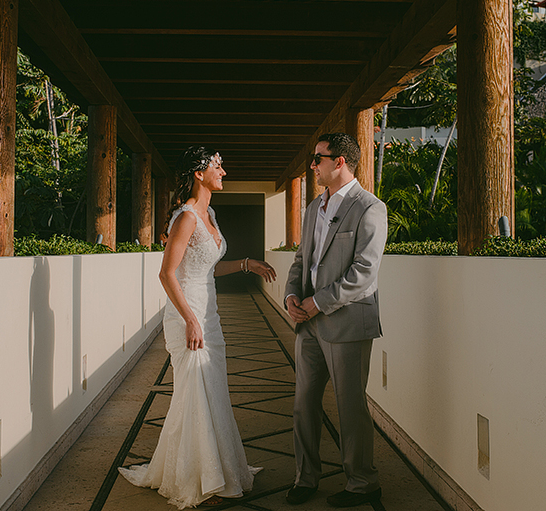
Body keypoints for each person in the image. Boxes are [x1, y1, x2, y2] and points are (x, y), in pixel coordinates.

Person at [118, 146, 277, 509]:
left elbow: (207, 268)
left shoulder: (211, 214)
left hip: (210, 314)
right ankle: (195, 477)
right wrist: (190, 319)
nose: (223, 170)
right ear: (198, 174)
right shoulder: (186, 216)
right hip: (187, 316)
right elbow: (167, 273)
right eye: (217, 165)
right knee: (193, 395)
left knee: (213, 390)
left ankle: (220, 468)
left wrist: (246, 264)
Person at [283, 132, 388, 508]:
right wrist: (293, 296)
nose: (313, 165)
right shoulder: (314, 208)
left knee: (350, 408)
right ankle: (305, 477)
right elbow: (302, 261)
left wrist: (317, 303)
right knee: (302, 405)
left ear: (339, 161)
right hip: (308, 324)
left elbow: (364, 273)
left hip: (347, 325)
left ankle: (362, 483)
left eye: (318, 159)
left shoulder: (370, 207)